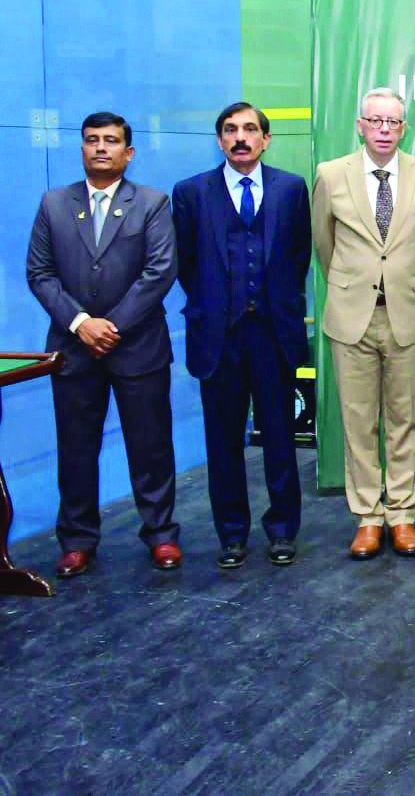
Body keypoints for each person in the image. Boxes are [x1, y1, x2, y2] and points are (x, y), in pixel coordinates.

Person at [26, 111, 180, 575]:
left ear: (128, 153)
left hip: (138, 347)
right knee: (76, 449)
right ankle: (77, 541)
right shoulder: (54, 203)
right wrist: (80, 324)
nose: (100, 148)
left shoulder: (152, 203)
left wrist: (109, 326)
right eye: (92, 140)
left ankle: (161, 536)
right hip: (74, 350)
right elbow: (40, 273)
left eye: (111, 141)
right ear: (81, 149)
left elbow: (160, 271)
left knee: (151, 448)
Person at [172, 102, 312, 568]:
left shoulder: (291, 189)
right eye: (230, 130)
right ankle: (231, 534)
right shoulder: (191, 193)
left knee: (279, 437)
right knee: (223, 440)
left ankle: (282, 531)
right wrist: (217, 304)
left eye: (250, 130)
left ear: (266, 140)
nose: (240, 137)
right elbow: (187, 264)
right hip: (219, 335)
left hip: (273, 334)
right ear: (219, 140)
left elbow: (298, 257)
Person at [312, 87, 415, 559]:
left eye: (393, 122)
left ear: (404, 128)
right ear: (360, 124)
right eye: (376, 121)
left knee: (406, 421)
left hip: (406, 316)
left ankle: (403, 515)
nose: (384, 130)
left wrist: (403, 282)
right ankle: (368, 517)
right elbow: (323, 243)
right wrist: (352, 285)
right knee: (358, 422)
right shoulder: (331, 175)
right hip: (351, 319)